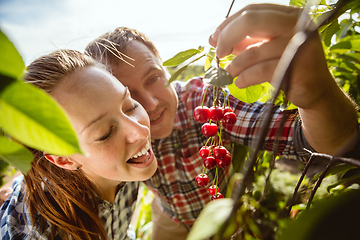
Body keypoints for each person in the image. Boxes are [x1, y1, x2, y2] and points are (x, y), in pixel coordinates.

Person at [84, 4, 359, 240]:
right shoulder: (118, 136)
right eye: (130, 97)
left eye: (153, 77)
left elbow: (321, 144)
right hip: (169, 217)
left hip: (222, 214)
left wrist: (318, 97)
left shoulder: (205, 105)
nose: (151, 104)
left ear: (166, 67)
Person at [0, 49, 157, 240]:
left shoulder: (123, 166)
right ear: (64, 160)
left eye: (130, 106)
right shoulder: (39, 233)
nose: (141, 132)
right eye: (105, 134)